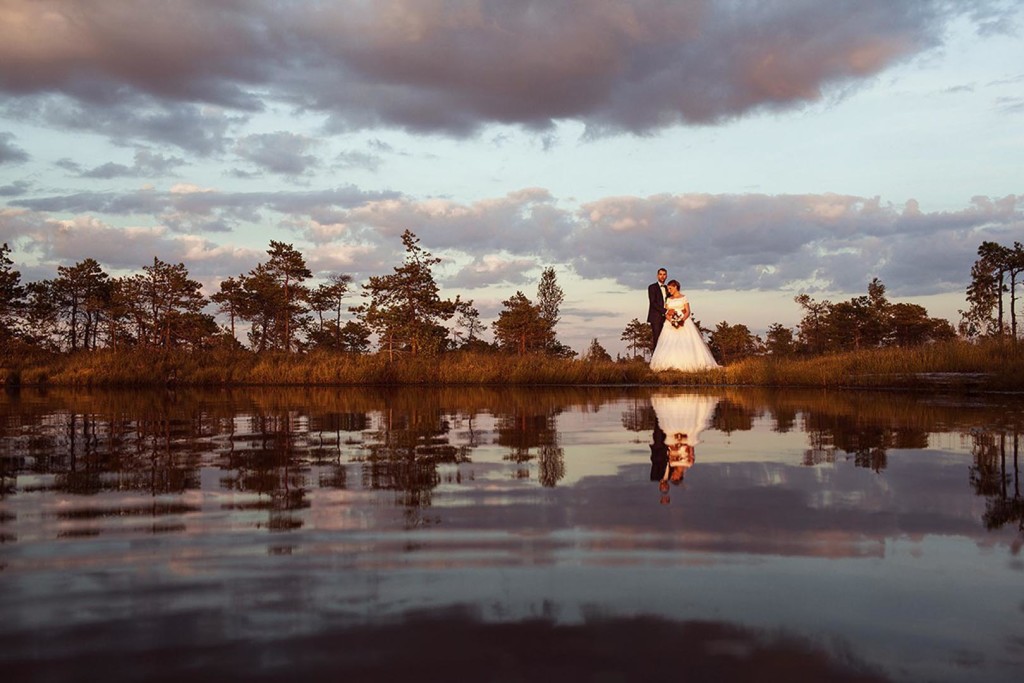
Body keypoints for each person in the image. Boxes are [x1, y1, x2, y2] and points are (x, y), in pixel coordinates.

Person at [650, 393, 719, 502]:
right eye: (675, 477)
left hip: (671, 441)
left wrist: (674, 443)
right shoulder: (689, 463)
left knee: (671, 423)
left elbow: (668, 452)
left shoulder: (671, 467)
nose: (673, 476)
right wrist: (684, 441)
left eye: (672, 477)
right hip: (684, 440)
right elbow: (691, 448)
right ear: (679, 477)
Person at [649, 279, 719, 372]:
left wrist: (682, 320)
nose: (668, 290)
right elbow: (666, 312)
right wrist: (672, 321)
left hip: (683, 321)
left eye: (670, 288)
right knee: (670, 343)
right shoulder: (668, 299)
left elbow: (688, 311)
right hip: (671, 322)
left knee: (686, 342)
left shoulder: (684, 297)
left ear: (675, 287)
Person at [647, 268, 669, 351]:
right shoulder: (652, 287)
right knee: (657, 339)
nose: (662, 276)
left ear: (666, 276)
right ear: (657, 276)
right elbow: (653, 302)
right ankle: (655, 361)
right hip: (656, 317)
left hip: (667, 318)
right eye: (660, 274)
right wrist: (665, 311)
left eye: (664, 274)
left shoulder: (668, 288)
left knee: (666, 339)